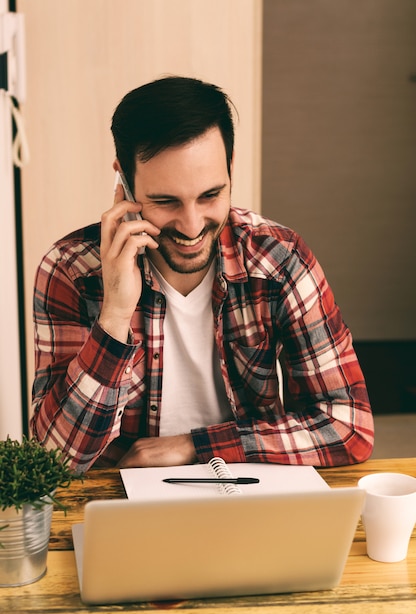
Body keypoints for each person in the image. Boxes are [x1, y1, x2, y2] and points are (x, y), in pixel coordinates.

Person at [31, 76, 374, 473]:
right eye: (165, 201)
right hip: (123, 505)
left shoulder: (278, 258)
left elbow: (349, 426)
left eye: (210, 195)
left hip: (249, 490)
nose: (192, 226)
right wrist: (115, 316)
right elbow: (53, 462)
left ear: (230, 168)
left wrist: (196, 446)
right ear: (123, 182)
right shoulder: (70, 270)